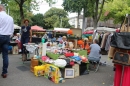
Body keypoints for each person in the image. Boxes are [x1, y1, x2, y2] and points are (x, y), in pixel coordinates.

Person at [0, 4, 14, 78]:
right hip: (7, 37)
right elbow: (12, 30)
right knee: (5, 55)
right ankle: (4, 72)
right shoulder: (10, 18)